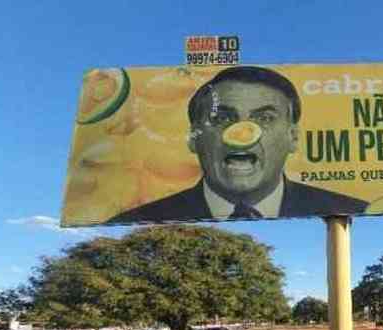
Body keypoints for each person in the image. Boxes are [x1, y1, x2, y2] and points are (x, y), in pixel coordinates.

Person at [109, 66, 368, 223]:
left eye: (265, 118)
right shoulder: (139, 220)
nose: (243, 132)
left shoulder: (355, 208)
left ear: (293, 138)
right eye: (221, 118)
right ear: (194, 138)